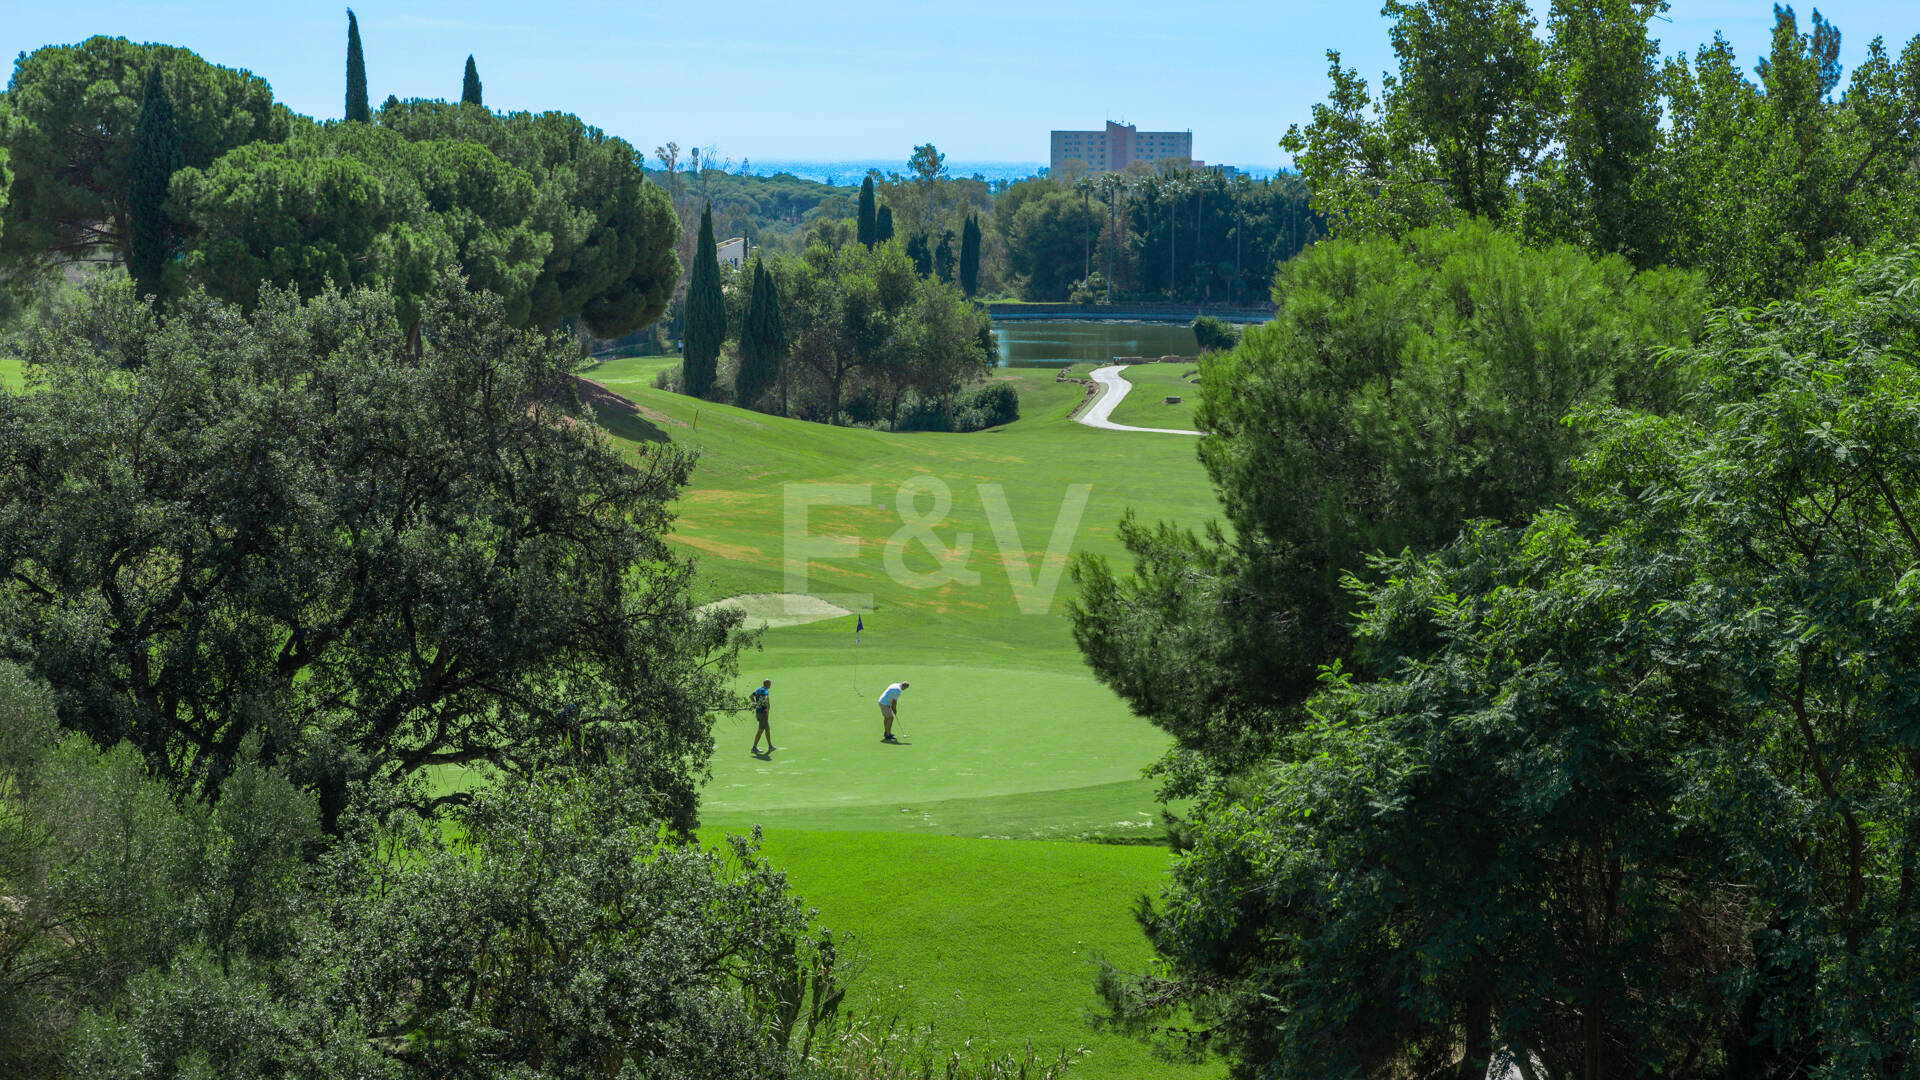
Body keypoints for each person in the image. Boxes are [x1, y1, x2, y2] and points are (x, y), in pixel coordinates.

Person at [750, 679, 773, 752]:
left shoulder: (758, 690)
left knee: (767, 729)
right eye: (769, 683)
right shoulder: (765, 690)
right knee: (760, 730)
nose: (770, 685)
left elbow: (751, 696)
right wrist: (766, 708)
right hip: (763, 713)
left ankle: (770, 746)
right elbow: (766, 698)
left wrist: (755, 704)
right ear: (766, 684)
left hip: (758, 712)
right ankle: (754, 747)